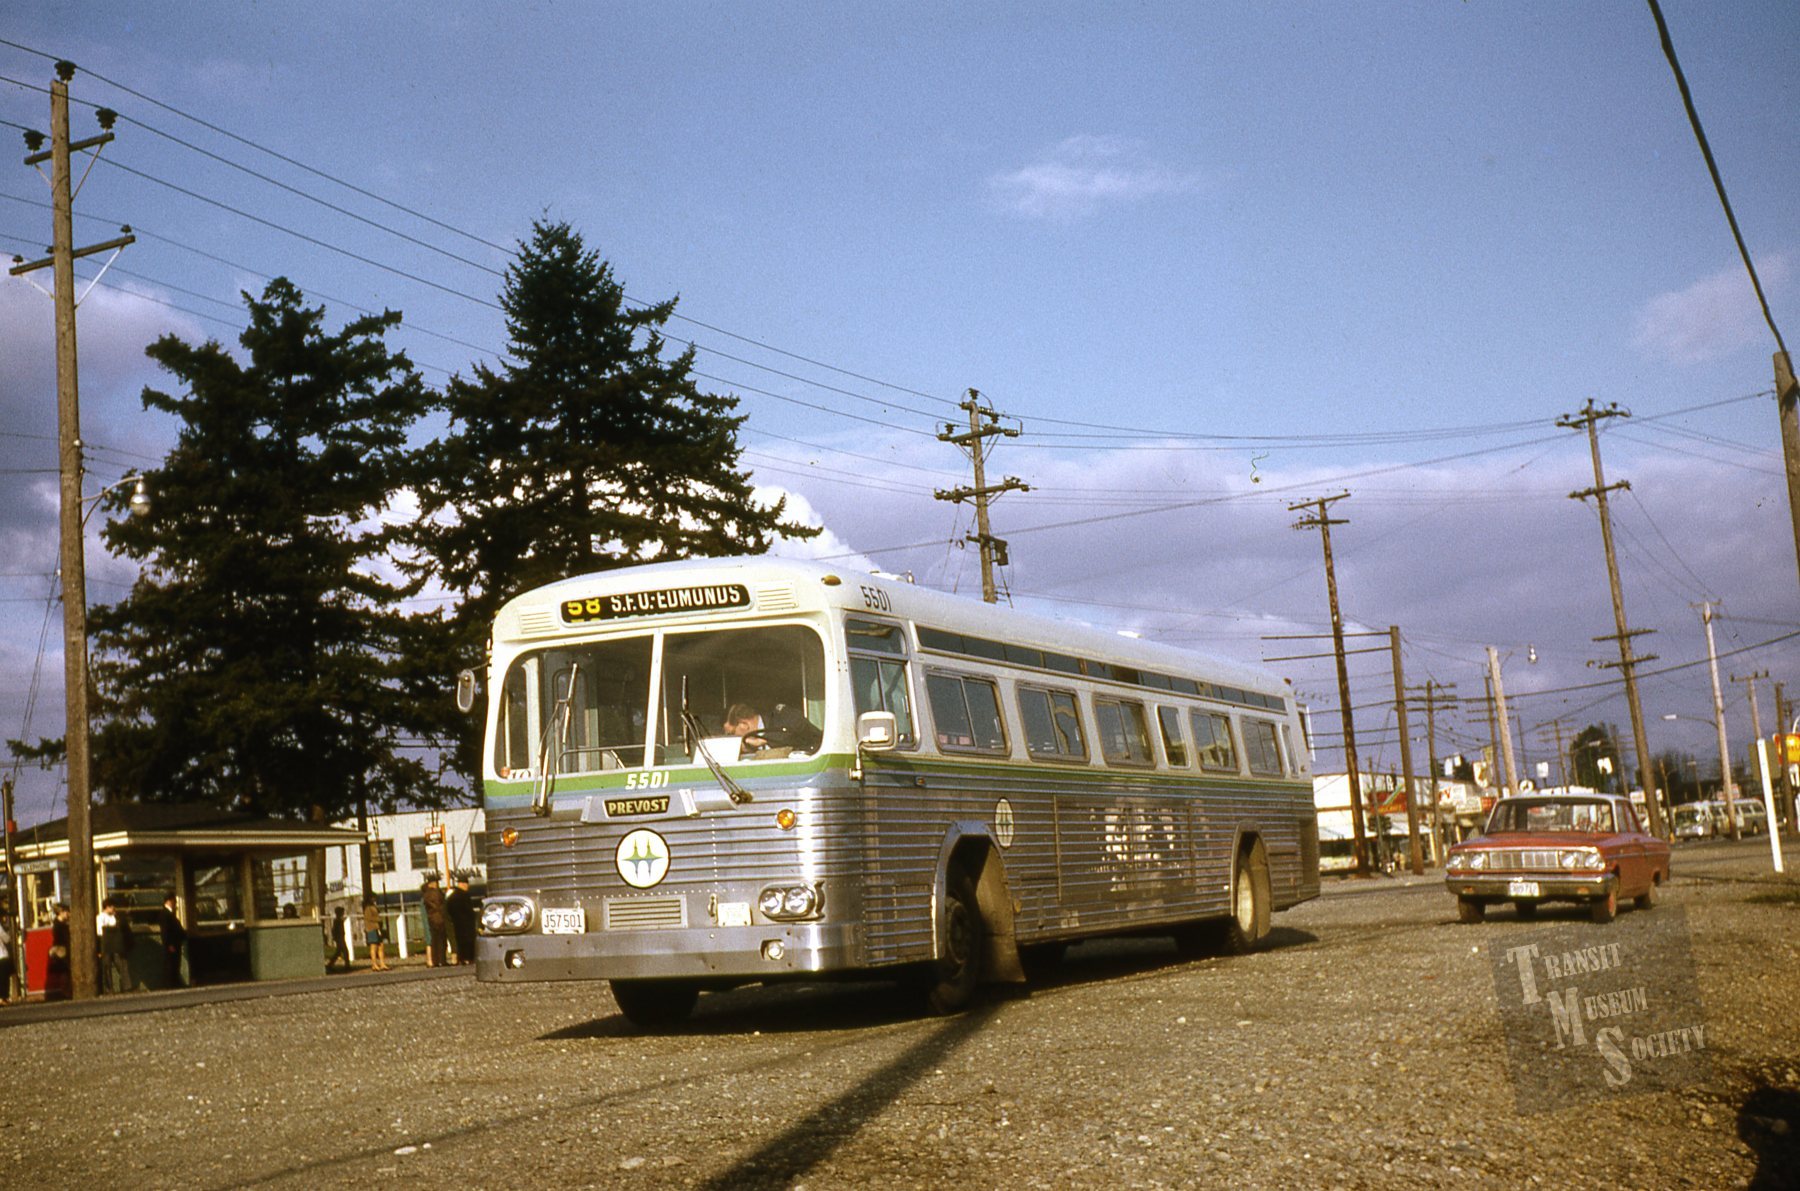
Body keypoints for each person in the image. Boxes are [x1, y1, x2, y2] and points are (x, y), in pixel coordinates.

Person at [723, 702, 822, 755]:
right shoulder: (749, 745)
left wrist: (762, 740)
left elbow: (795, 724)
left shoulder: (780, 716)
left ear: (744, 724)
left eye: (732, 733)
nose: (734, 737)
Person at [98, 897, 134, 994]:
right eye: (111, 906)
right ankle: (109, 989)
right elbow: (100, 932)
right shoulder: (100, 917)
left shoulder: (116, 917)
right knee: (107, 966)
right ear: (106, 907)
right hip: (106, 944)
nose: (113, 908)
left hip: (117, 944)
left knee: (122, 964)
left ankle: (126, 986)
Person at [156, 891, 187, 989]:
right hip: (171, 944)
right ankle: (170, 984)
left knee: (174, 964)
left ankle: (173, 983)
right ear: (169, 901)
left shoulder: (169, 914)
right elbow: (165, 932)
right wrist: (169, 944)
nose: (175, 903)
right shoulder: (165, 914)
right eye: (174, 901)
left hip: (174, 943)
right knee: (171, 964)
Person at [445, 875, 477, 965]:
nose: (467, 886)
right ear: (463, 884)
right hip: (466, 923)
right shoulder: (464, 896)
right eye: (467, 884)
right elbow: (469, 911)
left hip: (456, 923)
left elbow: (448, 910)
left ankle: (461, 958)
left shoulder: (452, 896)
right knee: (468, 941)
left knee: (459, 941)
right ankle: (468, 958)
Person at [45, 904, 72, 1001]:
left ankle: (66, 991)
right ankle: (66, 992)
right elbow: (63, 938)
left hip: (63, 949)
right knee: (65, 971)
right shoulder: (60, 925)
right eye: (67, 912)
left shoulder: (58, 924)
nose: (68, 914)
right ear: (61, 912)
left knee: (65, 971)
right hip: (62, 950)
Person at [420, 875, 448, 968]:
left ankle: (435, 960)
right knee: (441, 940)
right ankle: (442, 960)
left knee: (434, 941)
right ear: (432, 883)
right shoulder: (436, 893)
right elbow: (439, 905)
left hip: (431, 918)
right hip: (438, 918)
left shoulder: (425, 894)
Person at [361, 896, 390, 971]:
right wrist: (378, 919)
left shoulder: (375, 907)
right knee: (373, 946)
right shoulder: (368, 908)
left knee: (381, 946)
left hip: (377, 929)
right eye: (373, 899)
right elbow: (368, 918)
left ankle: (382, 964)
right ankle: (374, 964)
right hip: (371, 929)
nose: (375, 900)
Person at [324, 905, 350, 972]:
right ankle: (347, 966)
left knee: (338, 952)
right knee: (345, 951)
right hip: (340, 938)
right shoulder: (337, 921)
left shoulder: (338, 921)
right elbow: (335, 930)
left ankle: (330, 965)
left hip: (340, 937)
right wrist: (336, 937)